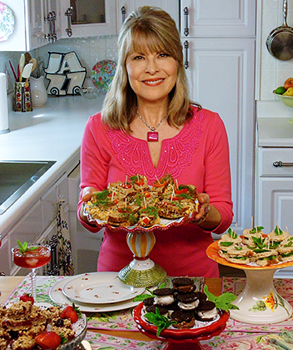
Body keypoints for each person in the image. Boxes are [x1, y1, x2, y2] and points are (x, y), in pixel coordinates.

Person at [77, 6, 233, 278]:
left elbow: (223, 216)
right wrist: (88, 207)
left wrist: (204, 211)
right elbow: (88, 217)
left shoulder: (210, 125)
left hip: (192, 280)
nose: (151, 69)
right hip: (117, 280)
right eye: (138, 57)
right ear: (125, 66)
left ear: (177, 62)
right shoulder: (98, 128)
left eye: (163, 54)